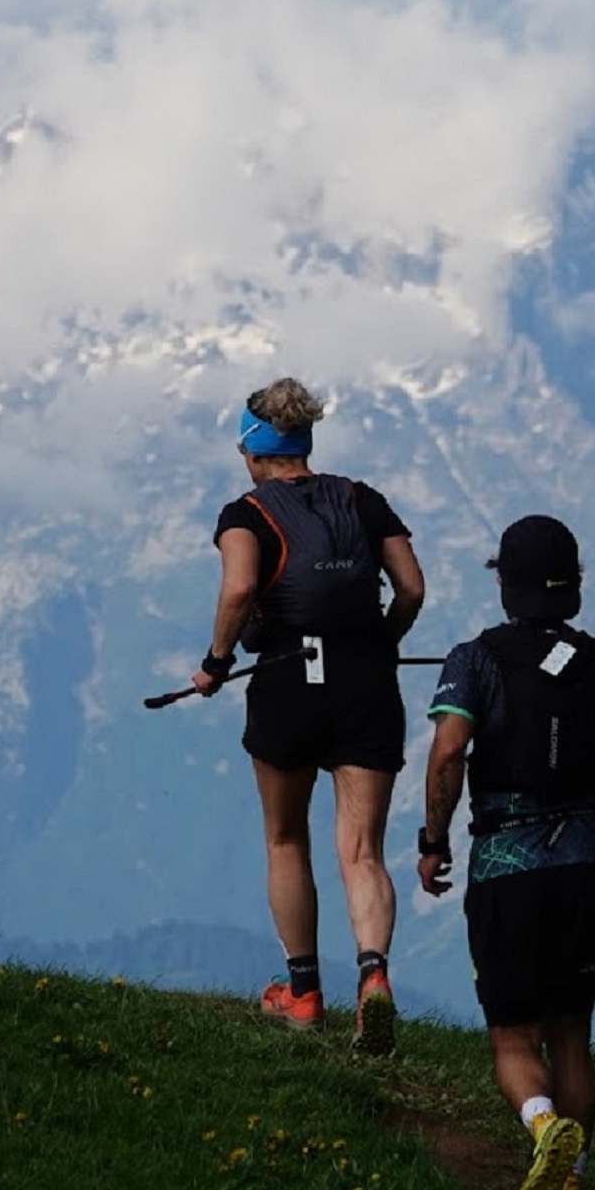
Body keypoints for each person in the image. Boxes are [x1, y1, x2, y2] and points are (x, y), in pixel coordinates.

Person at [415, 514, 595, 1190]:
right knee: (570, 1029)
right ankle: (573, 1180)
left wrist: (434, 839)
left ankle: (544, 1132)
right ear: (575, 588)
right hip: (593, 862)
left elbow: (449, 750)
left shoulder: (472, 659)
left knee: (513, 1034)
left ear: (504, 585)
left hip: (508, 861)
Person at [188, 377, 426, 1056]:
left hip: (289, 677)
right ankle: (373, 979)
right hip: (366, 681)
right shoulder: (362, 499)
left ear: (252, 449)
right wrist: (384, 642)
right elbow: (410, 587)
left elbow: (239, 588)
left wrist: (215, 660)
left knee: (286, 839)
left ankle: (303, 994)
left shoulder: (246, 514)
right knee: (362, 850)